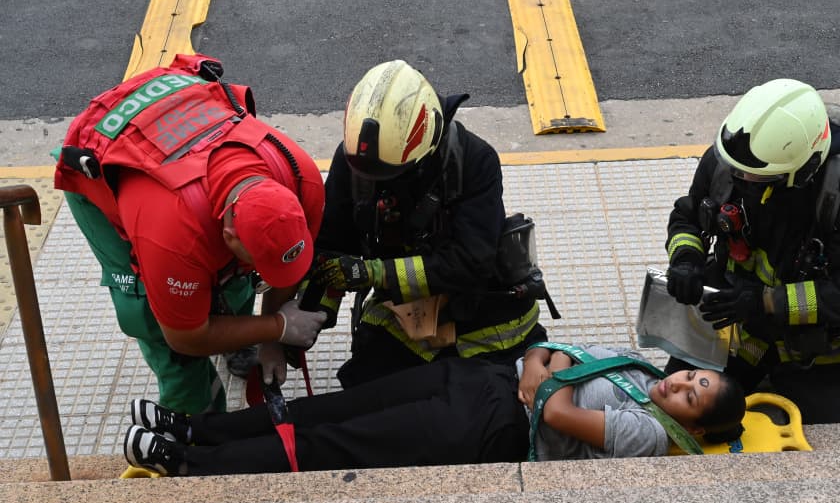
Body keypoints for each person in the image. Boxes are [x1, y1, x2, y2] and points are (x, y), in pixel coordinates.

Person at [54, 53, 328, 415]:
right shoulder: (172, 238)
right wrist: (277, 326)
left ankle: (236, 338)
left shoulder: (302, 177)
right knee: (157, 318)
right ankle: (190, 419)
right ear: (229, 234)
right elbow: (184, 336)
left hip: (179, 116)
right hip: (104, 161)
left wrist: (271, 340)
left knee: (233, 278)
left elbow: (284, 264)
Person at [122, 343, 746, 476]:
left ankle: (192, 464)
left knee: (337, 442)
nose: (680, 386)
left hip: (488, 427)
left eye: (693, 397)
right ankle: (198, 427)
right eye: (691, 377)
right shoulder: (642, 367)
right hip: (483, 382)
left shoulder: (655, 439)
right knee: (327, 409)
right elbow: (546, 351)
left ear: (695, 425)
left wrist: (543, 381)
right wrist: (539, 373)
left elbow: (557, 415)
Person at [303, 60, 550, 388]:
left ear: (427, 146)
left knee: (490, 400)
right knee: (365, 389)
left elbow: (470, 262)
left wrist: (374, 273)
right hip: (407, 311)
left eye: (392, 175)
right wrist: (311, 314)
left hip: (486, 316)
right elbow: (332, 243)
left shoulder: (475, 161)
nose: (377, 183)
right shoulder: (357, 163)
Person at [664, 79, 840, 424]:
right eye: (737, 171)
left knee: (818, 438)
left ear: (803, 171)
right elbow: (688, 215)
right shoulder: (727, 161)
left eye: (755, 178)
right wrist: (686, 260)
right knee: (677, 408)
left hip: (817, 352)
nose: (739, 180)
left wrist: (767, 301)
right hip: (736, 326)